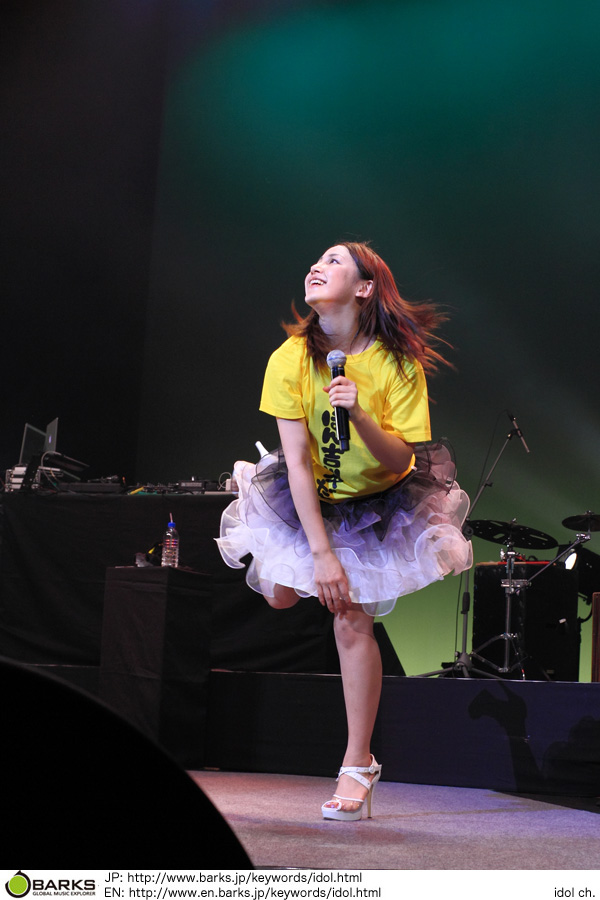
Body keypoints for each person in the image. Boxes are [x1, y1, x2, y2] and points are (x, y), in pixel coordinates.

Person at [217, 241, 472, 822]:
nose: (317, 266)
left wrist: (358, 412)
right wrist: (320, 553)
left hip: (378, 502)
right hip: (310, 492)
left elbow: (401, 458)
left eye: (334, 262)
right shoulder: (289, 358)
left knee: (349, 615)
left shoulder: (397, 363)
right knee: (281, 595)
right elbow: (297, 461)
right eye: (316, 260)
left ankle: (358, 763)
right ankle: (261, 496)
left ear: (363, 288)